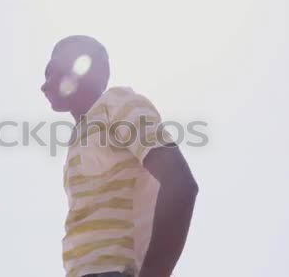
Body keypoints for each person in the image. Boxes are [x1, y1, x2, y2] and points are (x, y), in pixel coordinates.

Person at [41, 36, 198, 277]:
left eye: (52, 71)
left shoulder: (117, 103)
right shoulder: (79, 137)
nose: (44, 85)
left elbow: (180, 185)